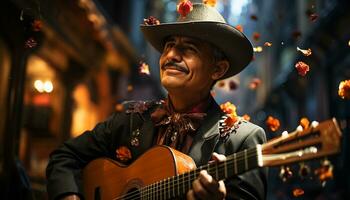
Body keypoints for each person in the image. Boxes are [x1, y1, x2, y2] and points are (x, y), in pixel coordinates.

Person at [46, 3, 267, 200]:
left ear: (217, 69)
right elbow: (65, 157)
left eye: (189, 49)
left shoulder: (243, 139)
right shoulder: (132, 119)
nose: (171, 55)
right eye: (169, 45)